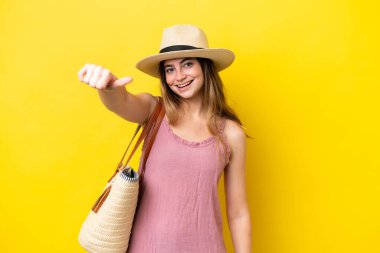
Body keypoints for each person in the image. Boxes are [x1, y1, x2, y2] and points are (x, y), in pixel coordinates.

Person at [78, 24, 252, 253]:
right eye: (169, 69)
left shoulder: (231, 134)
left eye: (187, 64)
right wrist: (108, 88)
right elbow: (122, 102)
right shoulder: (154, 111)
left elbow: (238, 213)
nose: (178, 77)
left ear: (205, 67)